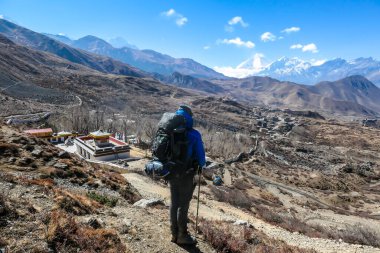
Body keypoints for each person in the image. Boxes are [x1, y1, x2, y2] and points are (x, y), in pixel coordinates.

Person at [169, 105, 206, 245]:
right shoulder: (194, 134)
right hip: (186, 175)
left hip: (172, 173)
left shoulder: (170, 131)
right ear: (189, 118)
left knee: (174, 203)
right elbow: (202, 160)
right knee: (183, 205)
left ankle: (174, 234)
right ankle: (182, 236)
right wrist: (200, 165)